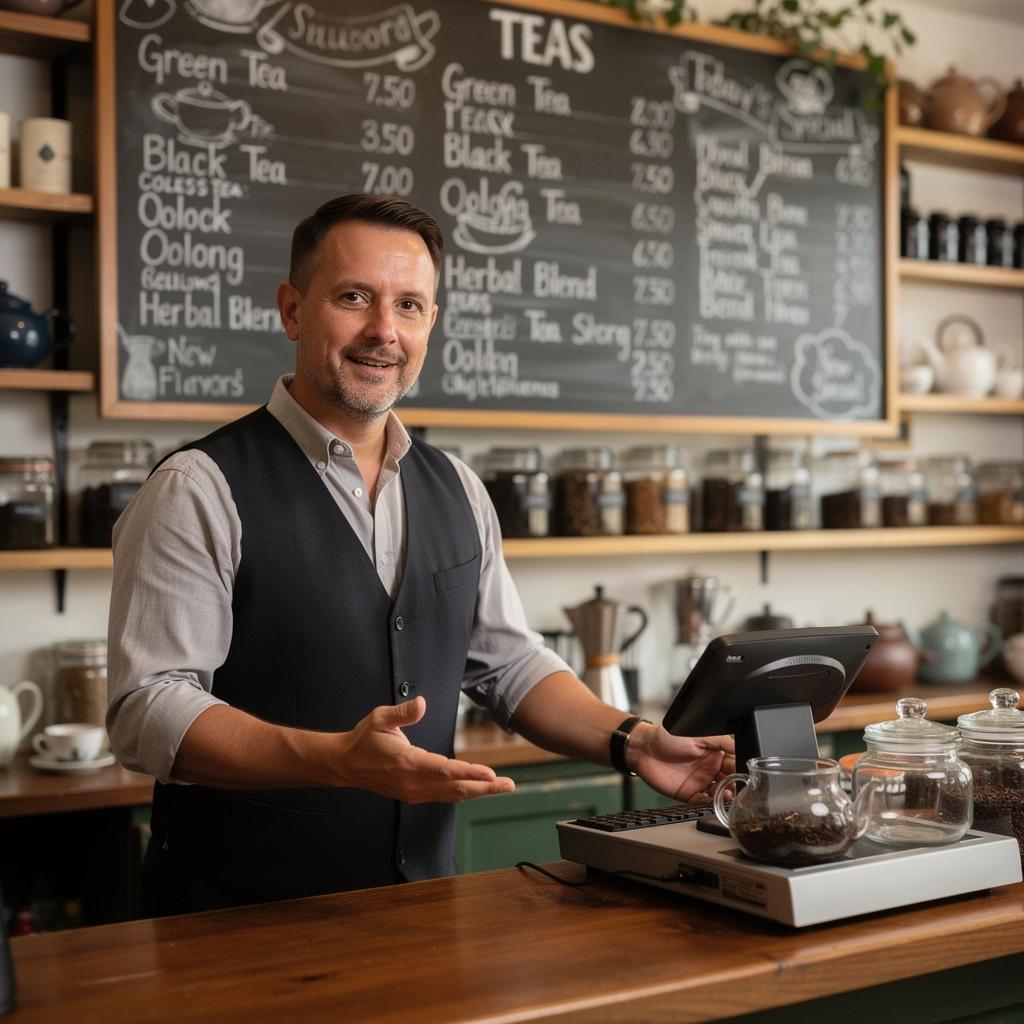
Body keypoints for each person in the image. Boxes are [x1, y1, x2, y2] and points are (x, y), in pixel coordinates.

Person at [107, 194, 735, 917]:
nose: (383, 331)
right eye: (353, 297)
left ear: (431, 323)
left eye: (409, 305)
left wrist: (632, 741)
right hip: (237, 921)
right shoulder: (198, 488)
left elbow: (510, 662)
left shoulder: (459, 488)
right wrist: (333, 760)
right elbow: (147, 709)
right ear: (291, 309)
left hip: (424, 906)